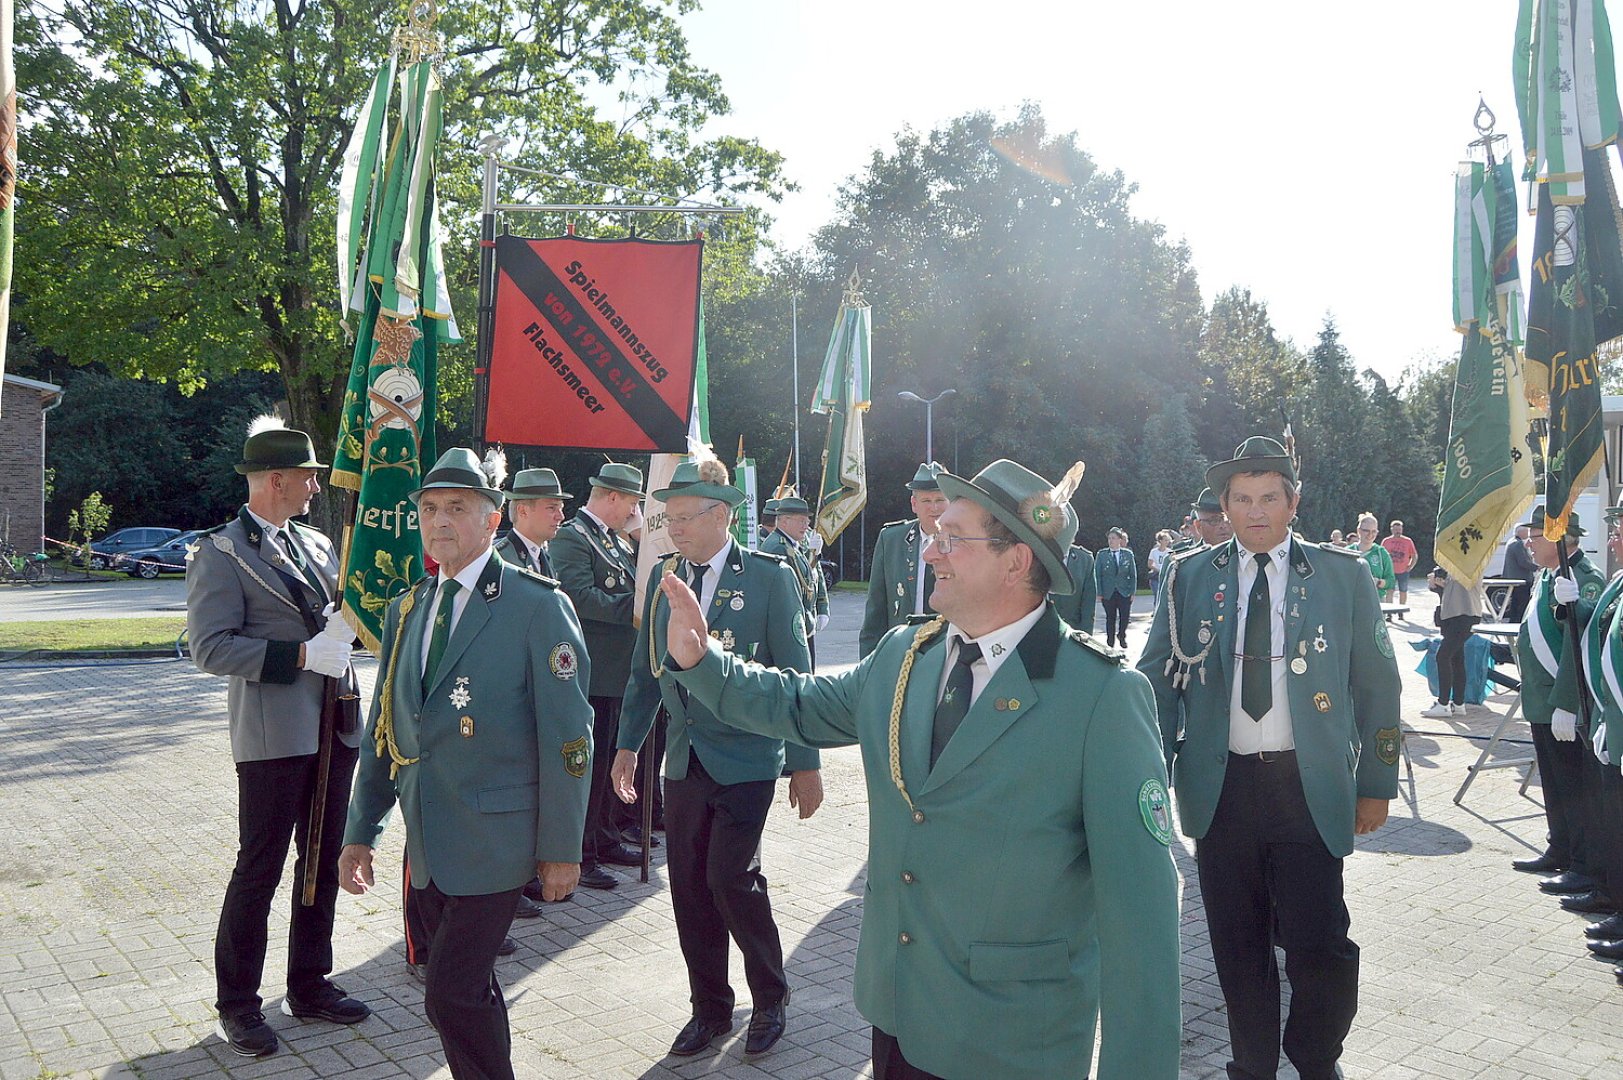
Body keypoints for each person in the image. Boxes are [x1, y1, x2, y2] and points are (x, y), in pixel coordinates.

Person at [653, 458, 1181, 1079]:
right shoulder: (908, 655)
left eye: (952, 537)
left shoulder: (1100, 694)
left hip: (1011, 1034)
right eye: (935, 533)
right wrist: (703, 660)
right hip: (898, 1009)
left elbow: (1141, 918)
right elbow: (798, 705)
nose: (930, 551)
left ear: (1016, 561)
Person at [1139, 435, 1401, 1080]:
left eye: (1268, 498)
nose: (1255, 512)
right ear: (1223, 507)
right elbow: (1154, 684)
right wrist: (1145, 777)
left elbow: (1378, 683)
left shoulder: (1344, 575)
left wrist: (1377, 784)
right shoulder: (1188, 575)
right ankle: (1251, 1065)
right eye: (1241, 499)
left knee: (1319, 944)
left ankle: (1315, 1058)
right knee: (1237, 945)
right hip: (1220, 789)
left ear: (1293, 503)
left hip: (1306, 789)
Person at [338, 448, 593, 1080]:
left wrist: (562, 847)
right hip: (427, 844)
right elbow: (384, 732)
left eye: (457, 507)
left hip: (498, 841)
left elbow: (570, 739)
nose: (439, 521)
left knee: (448, 994)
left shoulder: (536, 604)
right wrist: (359, 833)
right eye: (428, 509)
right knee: (467, 992)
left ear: (492, 518)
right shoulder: (408, 607)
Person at [611, 455, 823, 1060]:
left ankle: (771, 995)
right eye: (667, 519)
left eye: (684, 517)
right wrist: (628, 744)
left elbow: (796, 677)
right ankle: (710, 1008)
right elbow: (644, 672)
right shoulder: (663, 580)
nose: (673, 529)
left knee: (731, 878)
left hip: (749, 756)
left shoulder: (768, 577)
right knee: (689, 888)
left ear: (722, 515)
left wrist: (804, 764)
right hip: (683, 760)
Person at [186, 417, 370, 1058]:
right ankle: (238, 1004)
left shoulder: (317, 545)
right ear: (275, 480)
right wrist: (298, 655)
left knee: (321, 860)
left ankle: (310, 985)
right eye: (309, 477)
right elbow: (209, 648)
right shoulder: (222, 553)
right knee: (259, 868)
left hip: (334, 724)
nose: (317, 487)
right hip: (274, 735)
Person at [549, 462, 649, 889]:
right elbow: (578, 597)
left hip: (617, 673)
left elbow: (640, 576)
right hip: (593, 674)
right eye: (630, 502)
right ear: (611, 497)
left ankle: (605, 837)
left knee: (611, 761)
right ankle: (583, 852)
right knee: (589, 767)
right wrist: (635, 608)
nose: (632, 510)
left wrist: (643, 537)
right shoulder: (574, 537)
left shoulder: (614, 540)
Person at [1512, 508, 1607, 901]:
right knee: (1553, 783)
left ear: (1557, 538)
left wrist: (1567, 703)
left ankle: (1583, 864)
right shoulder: (1549, 576)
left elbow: (1576, 647)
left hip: (1563, 703)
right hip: (1542, 699)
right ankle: (1561, 847)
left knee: (1575, 788)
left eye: (1533, 538)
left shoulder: (1584, 579)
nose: (1528, 545)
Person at [1551, 506, 1623, 936]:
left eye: (1618, 531)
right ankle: (1612, 897)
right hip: (1610, 720)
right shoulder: (1618, 579)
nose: (1611, 540)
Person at [860, 463, 947, 658]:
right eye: (926, 500)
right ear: (914, 504)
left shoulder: (967, 541)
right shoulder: (891, 540)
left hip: (947, 650)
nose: (934, 508)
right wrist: (869, 667)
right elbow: (876, 608)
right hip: (902, 651)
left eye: (940, 499)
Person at [761, 493, 831, 663]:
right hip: (790, 627)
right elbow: (789, 590)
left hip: (801, 622)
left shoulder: (790, 544)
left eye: (806, 521)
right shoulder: (778, 547)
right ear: (784, 521)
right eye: (801, 520)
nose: (806, 525)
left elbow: (806, 577)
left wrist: (814, 554)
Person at [1420, 566, 1485, 718]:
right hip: (1452, 616)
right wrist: (1437, 584)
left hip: (1465, 615)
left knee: (1443, 656)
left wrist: (1443, 581)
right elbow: (1449, 592)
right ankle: (1458, 703)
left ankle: (1443, 704)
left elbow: (1463, 582)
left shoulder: (1471, 564)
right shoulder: (1452, 565)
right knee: (1457, 658)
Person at [493, 465, 568, 577]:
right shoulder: (501, 560)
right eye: (551, 508)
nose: (561, 516)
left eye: (560, 508)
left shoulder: (542, 556)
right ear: (523, 511)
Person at [1095, 526, 1136, 649]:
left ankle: (1122, 635)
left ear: (1120, 540)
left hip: (1124, 590)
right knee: (1110, 617)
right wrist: (1099, 592)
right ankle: (1110, 641)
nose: (1111, 541)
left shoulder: (1127, 554)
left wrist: (1132, 591)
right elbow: (1097, 574)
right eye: (1109, 538)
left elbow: (1133, 574)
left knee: (1125, 616)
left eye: (1113, 538)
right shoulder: (1102, 554)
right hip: (1108, 591)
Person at [1051, 538, 1098, 632]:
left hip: (1074, 630)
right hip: (1045, 631)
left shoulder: (1085, 560)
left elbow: (1088, 603)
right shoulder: (1039, 556)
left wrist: (1085, 636)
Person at [1354, 513, 1395, 602]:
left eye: (1373, 531)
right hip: (1352, 600)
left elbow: (1391, 581)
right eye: (1366, 531)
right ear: (1359, 531)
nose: (1370, 535)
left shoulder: (1381, 553)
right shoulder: (1347, 551)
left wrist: (1379, 582)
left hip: (1376, 600)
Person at [1504, 524, 1539, 622]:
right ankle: (1518, 624)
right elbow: (1523, 562)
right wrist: (1537, 567)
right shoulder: (1518, 544)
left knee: (1515, 605)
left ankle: (1513, 623)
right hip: (1520, 580)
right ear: (1521, 532)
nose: (1528, 533)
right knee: (1521, 605)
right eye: (1527, 531)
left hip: (1513, 579)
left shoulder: (1511, 542)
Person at [1381, 519, 1418, 605]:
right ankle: (1389, 612)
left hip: (1403, 571)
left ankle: (1401, 611)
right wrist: (1383, 568)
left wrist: (1410, 566)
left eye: (1399, 529)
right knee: (1389, 591)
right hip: (1390, 571)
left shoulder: (1408, 541)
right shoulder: (1386, 541)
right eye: (1396, 529)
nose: (1398, 531)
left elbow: (1414, 555)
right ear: (1392, 529)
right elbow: (1381, 556)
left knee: (1403, 591)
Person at [1147, 530, 1173, 595]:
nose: (1167, 542)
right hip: (1156, 575)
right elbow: (1149, 564)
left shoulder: (1170, 552)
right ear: (1160, 541)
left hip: (1166, 575)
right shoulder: (1153, 551)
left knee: (1165, 594)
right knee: (1157, 594)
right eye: (1165, 540)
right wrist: (1158, 570)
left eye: (1167, 540)